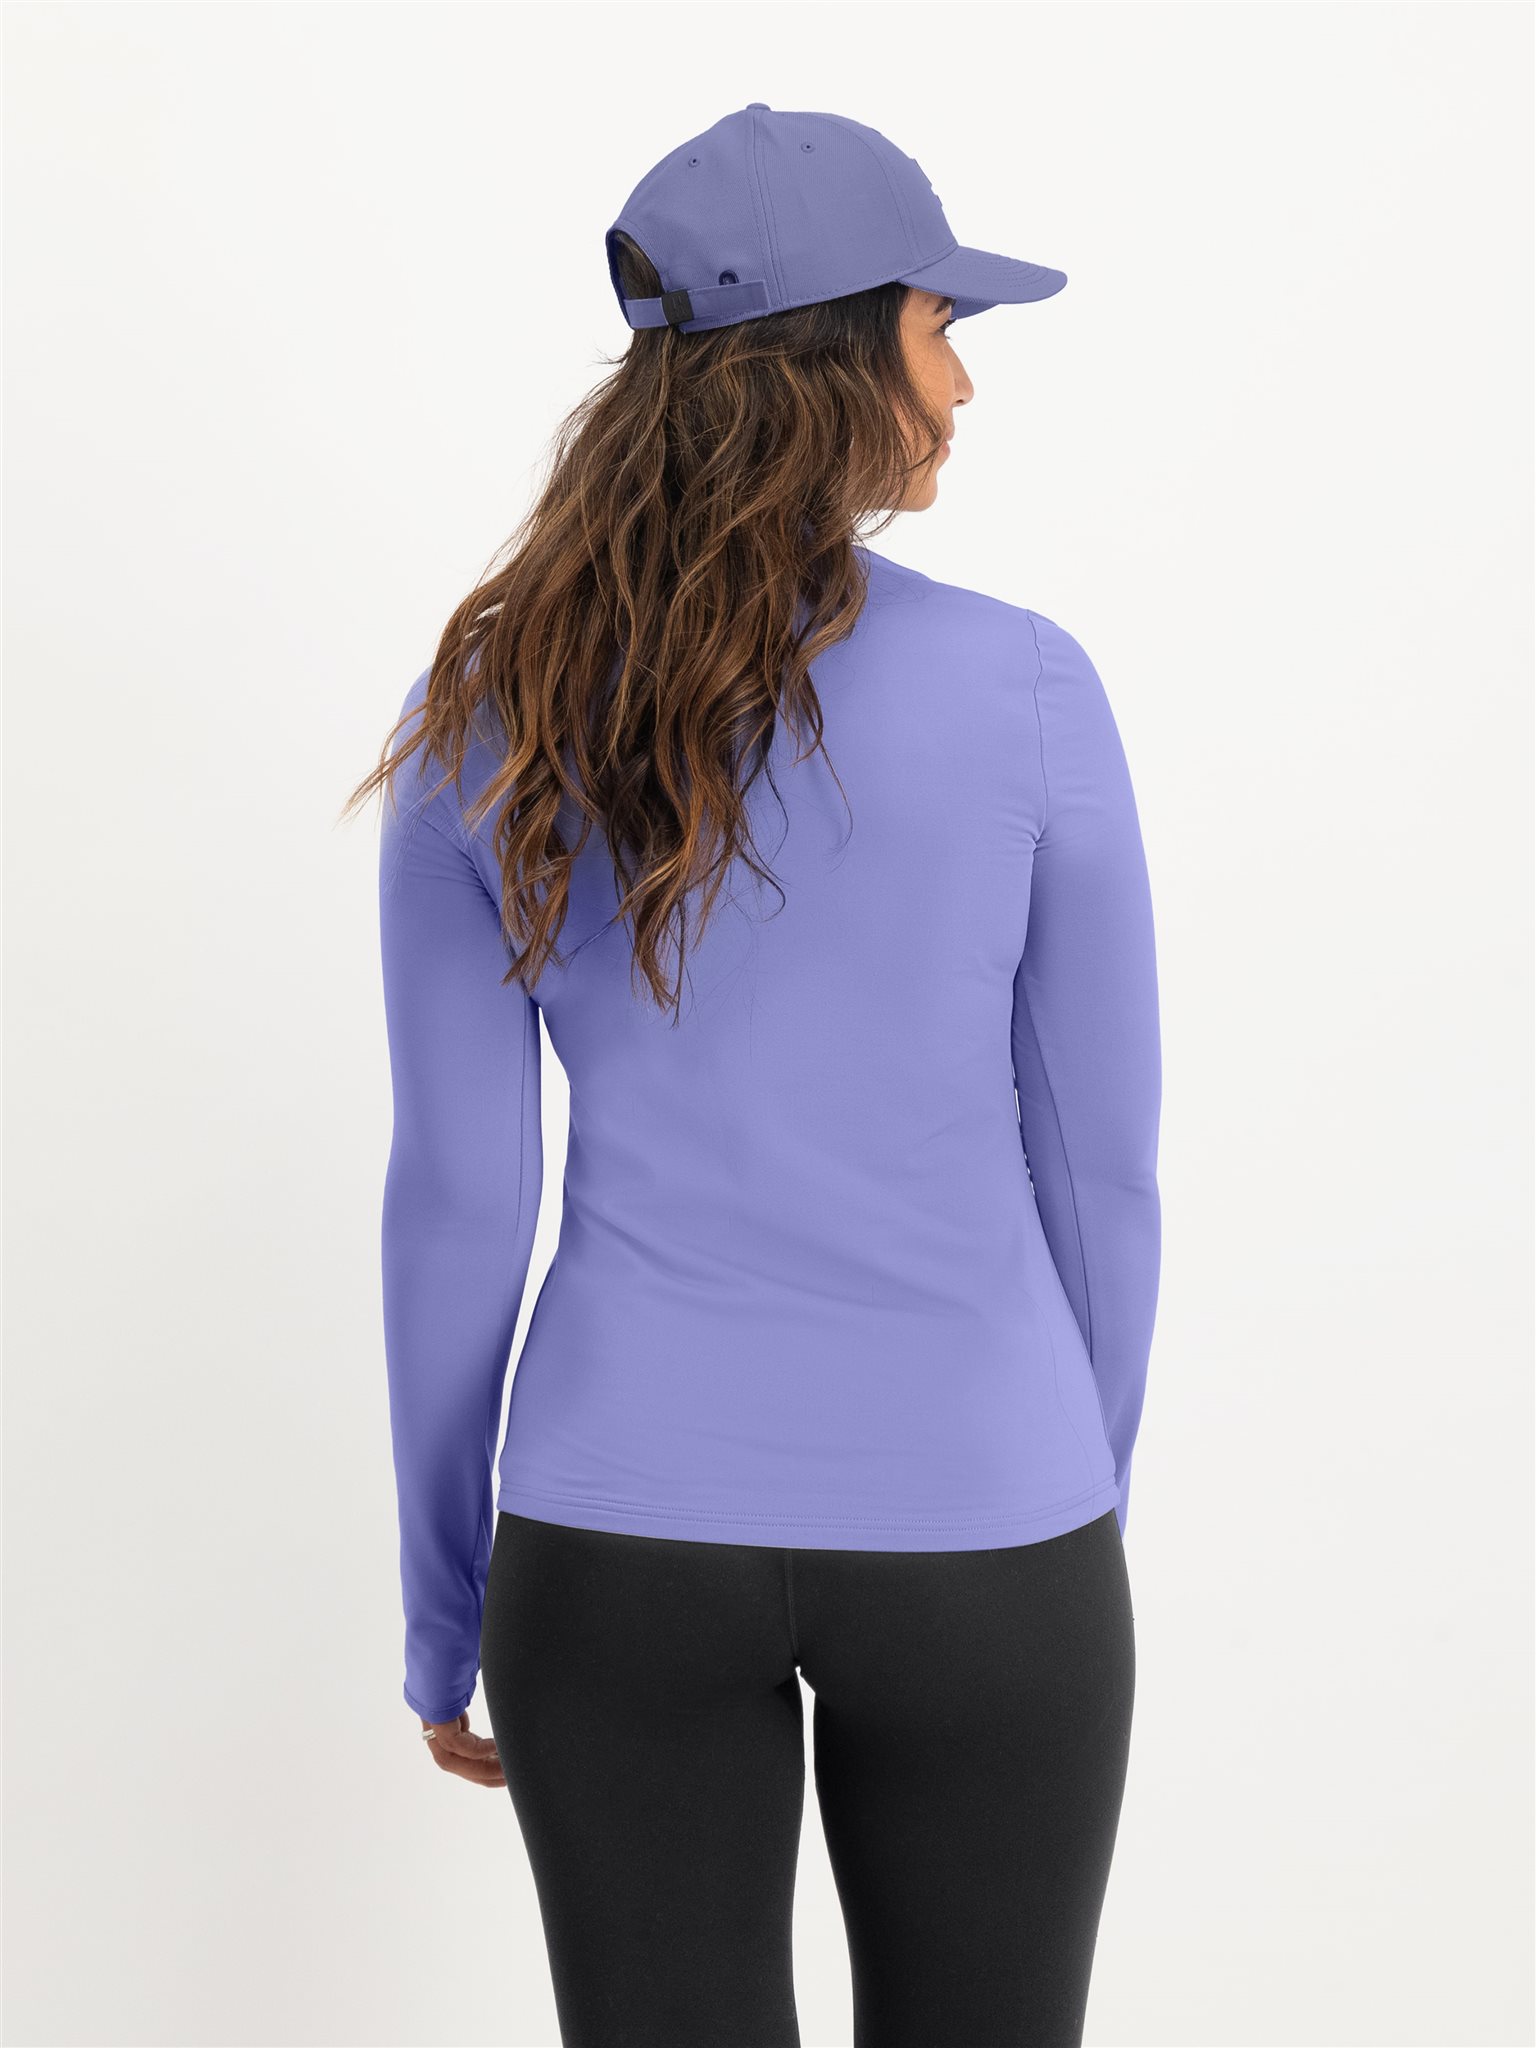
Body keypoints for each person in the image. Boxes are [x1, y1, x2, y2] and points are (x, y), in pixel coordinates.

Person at [346, 102, 1162, 2048]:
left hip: (612, 1550)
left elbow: (459, 1204)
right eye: (942, 326)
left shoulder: (485, 719)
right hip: (987, 1530)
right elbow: (1103, 1172)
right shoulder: (1030, 689)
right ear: (837, 352)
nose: (962, 383)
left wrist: (447, 1604)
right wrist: (1067, 1509)